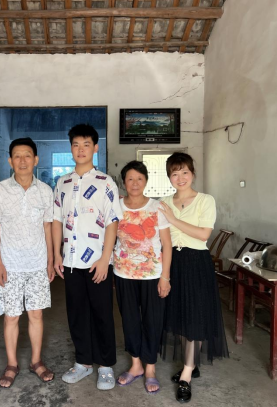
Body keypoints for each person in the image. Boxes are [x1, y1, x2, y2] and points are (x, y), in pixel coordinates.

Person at [52, 124, 123, 391]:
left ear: (95, 148)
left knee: (102, 313)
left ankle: (105, 365)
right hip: (70, 262)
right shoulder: (62, 182)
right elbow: (57, 221)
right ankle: (83, 362)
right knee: (76, 313)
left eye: (86, 144)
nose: (81, 149)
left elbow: (113, 222)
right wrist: (57, 254)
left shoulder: (105, 182)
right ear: (70, 149)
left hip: (97, 262)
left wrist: (105, 258)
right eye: (76, 145)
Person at [158, 152, 229, 403]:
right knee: (179, 315)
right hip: (172, 262)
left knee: (195, 317)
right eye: (174, 173)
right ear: (169, 177)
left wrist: (173, 219)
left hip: (196, 263)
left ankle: (186, 375)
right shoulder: (163, 202)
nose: (180, 178)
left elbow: (203, 234)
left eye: (185, 172)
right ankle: (192, 363)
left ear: (193, 174)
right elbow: (160, 236)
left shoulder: (205, 200)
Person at [0, 137, 55, 388]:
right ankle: (12, 364)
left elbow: (48, 228)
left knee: (36, 315)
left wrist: (50, 261)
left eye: (27, 155)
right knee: (12, 316)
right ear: (10, 161)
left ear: (36, 160)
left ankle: (36, 361)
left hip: (37, 264)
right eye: (17, 156)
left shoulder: (45, 191)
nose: (23, 160)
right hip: (10, 265)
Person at [113, 160, 172, 395]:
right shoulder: (116, 206)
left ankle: (150, 368)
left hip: (152, 274)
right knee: (129, 320)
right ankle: (135, 365)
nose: (135, 183)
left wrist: (165, 277)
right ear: (124, 182)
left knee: (152, 321)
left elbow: (167, 244)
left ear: (146, 181)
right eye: (130, 179)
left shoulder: (157, 208)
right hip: (123, 273)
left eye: (139, 178)